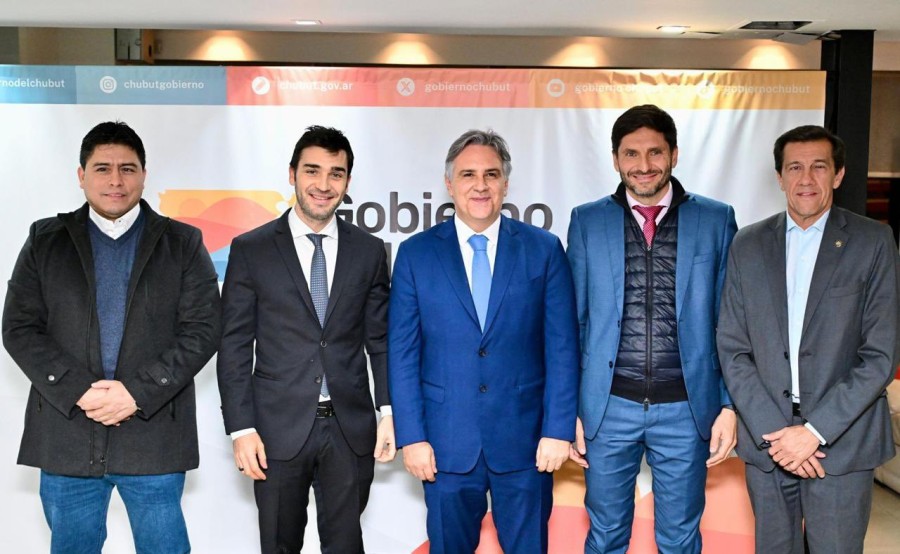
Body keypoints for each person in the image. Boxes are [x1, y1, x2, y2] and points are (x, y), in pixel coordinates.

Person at [2, 121, 221, 554]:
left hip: (153, 435)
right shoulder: (45, 240)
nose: (116, 180)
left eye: (128, 168)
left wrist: (136, 393)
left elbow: (203, 329)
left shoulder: (182, 242)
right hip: (67, 435)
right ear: (81, 175)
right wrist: (80, 391)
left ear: (144, 174)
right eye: (102, 168)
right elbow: (19, 328)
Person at [388, 129, 579, 553]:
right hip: (444, 446)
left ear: (506, 184)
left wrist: (558, 429)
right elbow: (402, 354)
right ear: (449, 183)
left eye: (491, 174)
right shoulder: (415, 254)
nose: (480, 185)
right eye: (468, 174)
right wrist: (412, 436)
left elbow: (563, 348)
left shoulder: (543, 250)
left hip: (528, 446)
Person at [717, 125, 900, 554]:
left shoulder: (873, 242)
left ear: (838, 175)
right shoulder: (747, 243)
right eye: (794, 168)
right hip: (769, 442)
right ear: (779, 177)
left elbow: (880, 354)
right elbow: (733, 347)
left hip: (842, 440)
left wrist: (814, 432)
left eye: (819, 167)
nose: (805, 179)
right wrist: (775, 433)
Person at [566, 104, 738, 553]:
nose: (643, 166)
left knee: (680, 540)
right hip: (607, 409)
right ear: (615, 159)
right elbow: (574, 323)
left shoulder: (716, 220)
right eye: (631, 154)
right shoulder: (587, 221)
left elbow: (730, 321)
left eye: (655, 152)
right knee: (604, 537)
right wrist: (570, 410)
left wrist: (728, 405)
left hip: (687, 409)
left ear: (674, 154)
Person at [216, 125, 394, 553]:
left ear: (348, 182)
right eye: (312, 171)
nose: (323, 184)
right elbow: (235, 345)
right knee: (279, 545)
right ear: (292, 173)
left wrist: (388, 411)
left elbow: (381, 340)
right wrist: (241, 428)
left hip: (350, 430)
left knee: (347, 546)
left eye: (337, 173)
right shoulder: (251, 249)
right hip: (276, 431)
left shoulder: (369, 251)